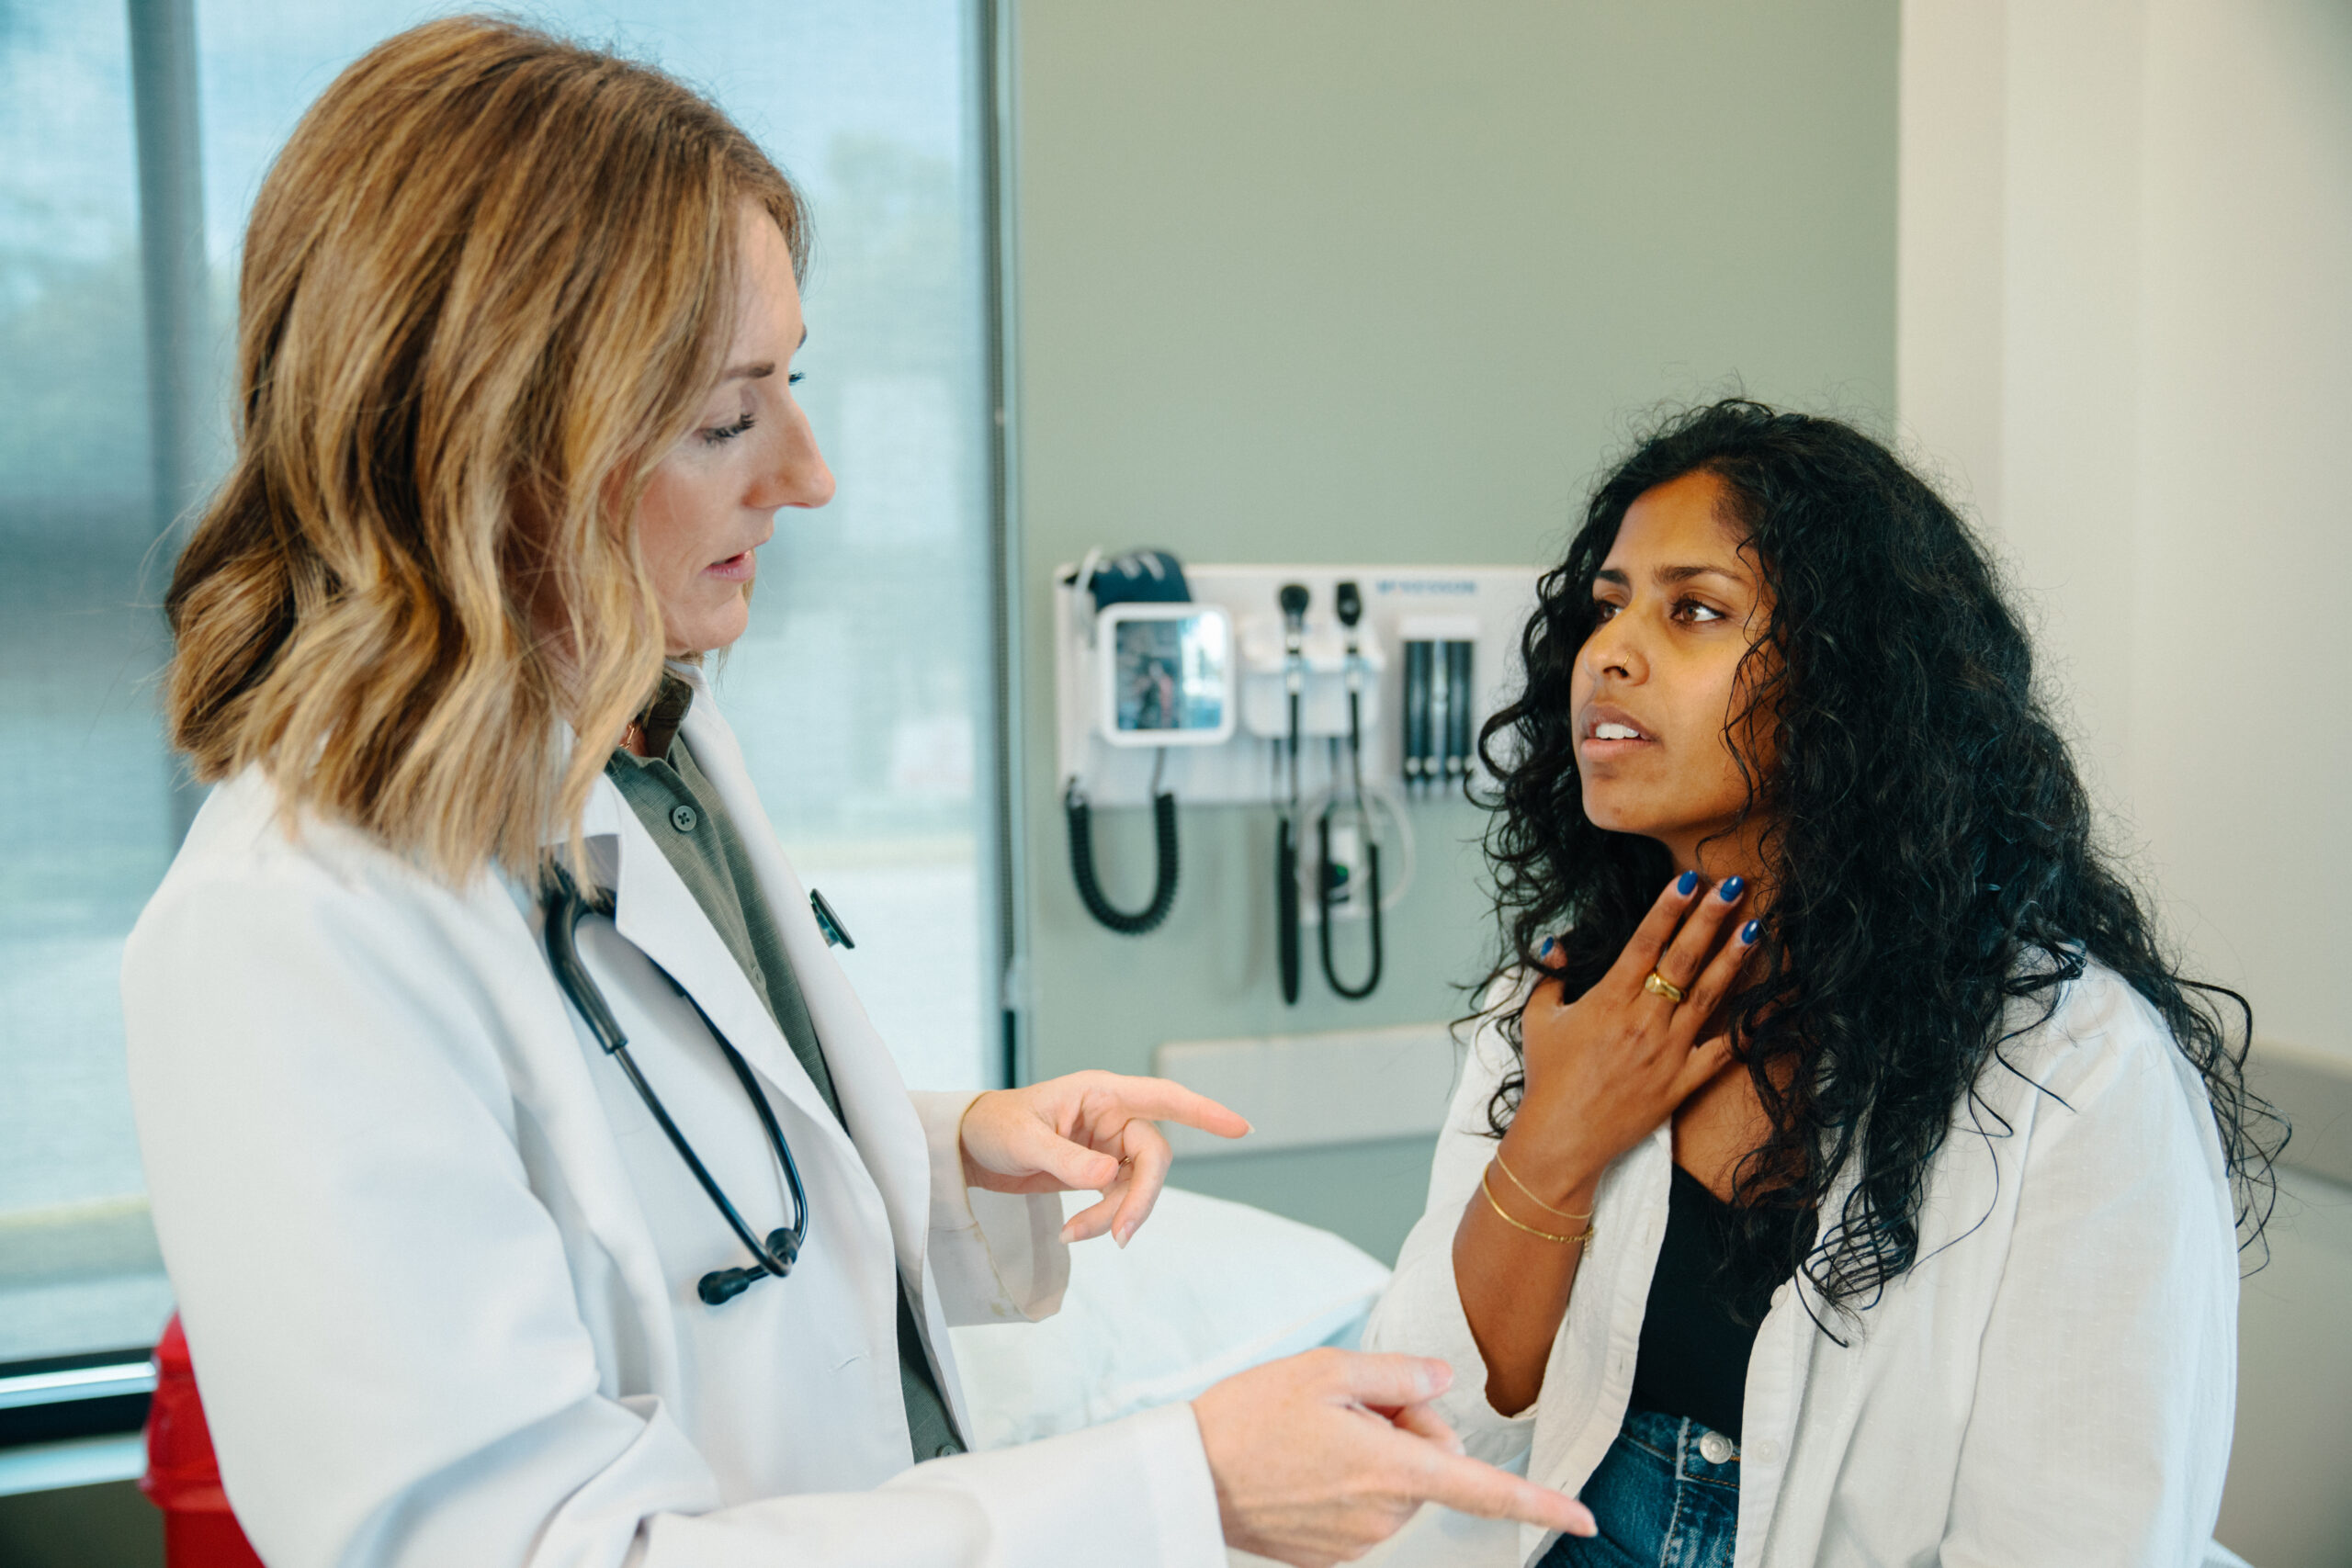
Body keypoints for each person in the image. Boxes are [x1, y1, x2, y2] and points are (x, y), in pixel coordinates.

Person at [120, 18, 1594, 1568]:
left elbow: (674, 1196)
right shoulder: (281, 941)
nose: (810, 473)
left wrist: (954, 1152)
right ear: (500, 445)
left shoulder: (648, 750)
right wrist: (1185, 1488)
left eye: (790, 387)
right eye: (726, 416)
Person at [1364, 400, 2273, 1567]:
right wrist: (1554, 1138)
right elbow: (1424, 1441)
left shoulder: (2073, 1071)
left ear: (1852, 682)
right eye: (1605, 608)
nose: (1611, 653)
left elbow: (2076, 1534)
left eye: (1692, 609)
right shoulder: (1556, 998)